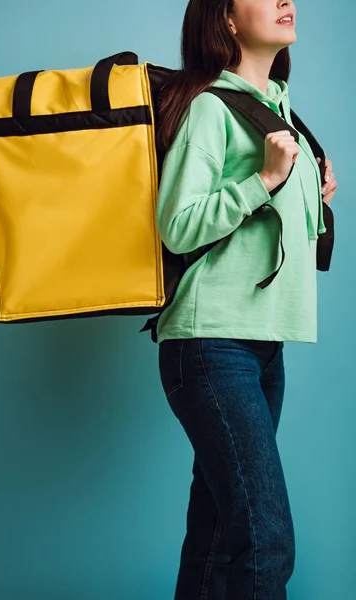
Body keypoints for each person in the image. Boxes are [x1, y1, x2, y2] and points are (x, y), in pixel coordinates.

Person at [155, 1, 337, 598]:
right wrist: (261, 181)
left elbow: (279, 235)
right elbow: (177, 225)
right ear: (227, 20)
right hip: (211, 344)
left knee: (215, 537)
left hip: (263, 346)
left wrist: (315, 192)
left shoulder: (278, 111)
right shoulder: (212, 108)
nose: (286, 0)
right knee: (264, 537)